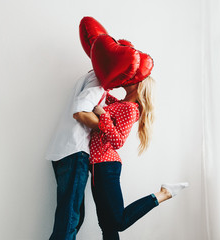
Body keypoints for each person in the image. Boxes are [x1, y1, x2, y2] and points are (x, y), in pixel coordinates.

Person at [90, 76, 188, 240]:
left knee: (118, 222)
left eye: (134, 78)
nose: (128, 78)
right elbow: (103, 95)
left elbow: (118, 140)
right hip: (97, 165)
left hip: (106, 164)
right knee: (107, 225)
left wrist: (103, 116)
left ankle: (163, 193)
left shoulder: (130, 109)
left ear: (139, 86)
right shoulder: (120, 103)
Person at [46, 70, 104, 240]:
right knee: (70, 220)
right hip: (75, 150)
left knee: (71, 218)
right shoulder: (98, 80)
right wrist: (107, 126)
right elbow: (80, 112)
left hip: (64, 150)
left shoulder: (87, 77)